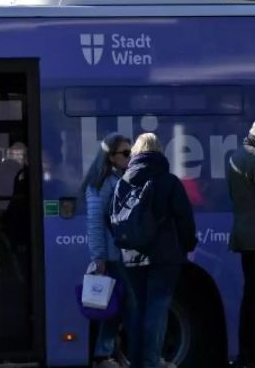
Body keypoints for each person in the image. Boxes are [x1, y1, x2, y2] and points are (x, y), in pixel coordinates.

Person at [115, 133, 197, 368]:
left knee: (137, 309)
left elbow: (113, 220)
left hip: (131, 256)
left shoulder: (123, 182)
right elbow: (184, 219)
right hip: (165, 257)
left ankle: (136, 361)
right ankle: (151, 362)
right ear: (160, 152)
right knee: (157, 308)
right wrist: (187, 245)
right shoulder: (169, 181)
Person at [81, 133, 135, 368]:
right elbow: (95, 222)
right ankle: (105, 352)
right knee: (125, 304)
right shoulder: (101, 183)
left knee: (117, 304)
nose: (129, 157)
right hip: (112, 257)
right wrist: (98, 258)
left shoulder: (117, 179)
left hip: (119, 254)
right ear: (110, 156)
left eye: (130, 152)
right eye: (124, 153)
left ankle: (108, 351)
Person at [228, 122, 255, 368]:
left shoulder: (236, 155)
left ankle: (246, 355)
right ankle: (248, 354)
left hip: (244, 236)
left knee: (250, 297)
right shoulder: (253, 158)